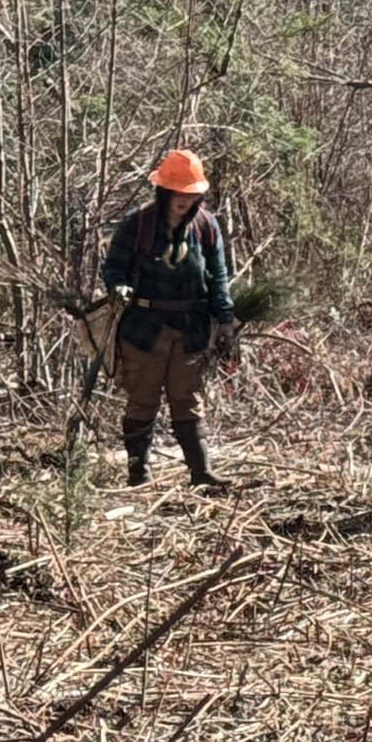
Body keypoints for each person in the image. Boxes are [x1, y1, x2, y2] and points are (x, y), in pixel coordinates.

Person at [102, 148, 237, 490]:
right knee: (142, 400)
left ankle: (201, 473)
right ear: (164, 191)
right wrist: (120, 288)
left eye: (190, 194)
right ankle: (138, 474)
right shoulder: (137, 225)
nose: (183, 200)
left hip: (191, 330)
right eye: (178, 192)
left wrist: (226, 319)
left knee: (188, 400)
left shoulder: (206, 227)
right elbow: (114, 268)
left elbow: (218, 276)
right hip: (144, 329)